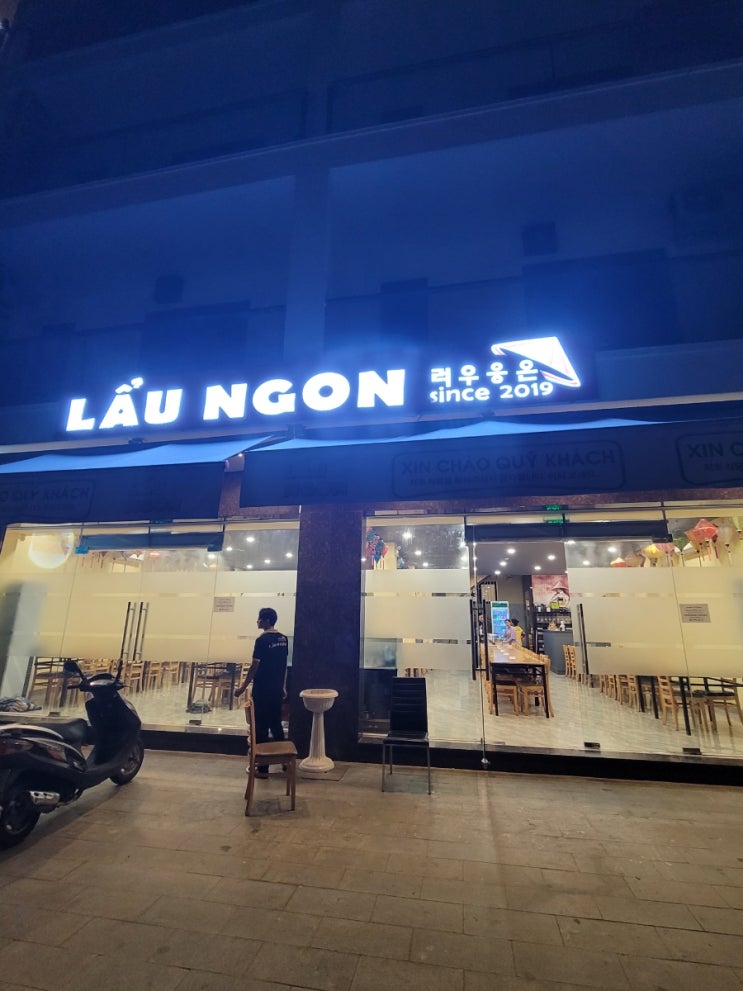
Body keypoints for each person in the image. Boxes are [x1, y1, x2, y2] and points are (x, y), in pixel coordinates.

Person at [234, 607, 288, 777]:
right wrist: (283, 686)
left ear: (266, 621)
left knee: (261, 727)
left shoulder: (262, 640)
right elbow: (283, 666)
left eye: (259, 618)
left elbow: (254, 667)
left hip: (263, 689)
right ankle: (285, 762)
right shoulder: (283, 639)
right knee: (276, 724)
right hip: (276, 689)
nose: (257, 621)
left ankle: (263, 768)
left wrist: (242, 687)